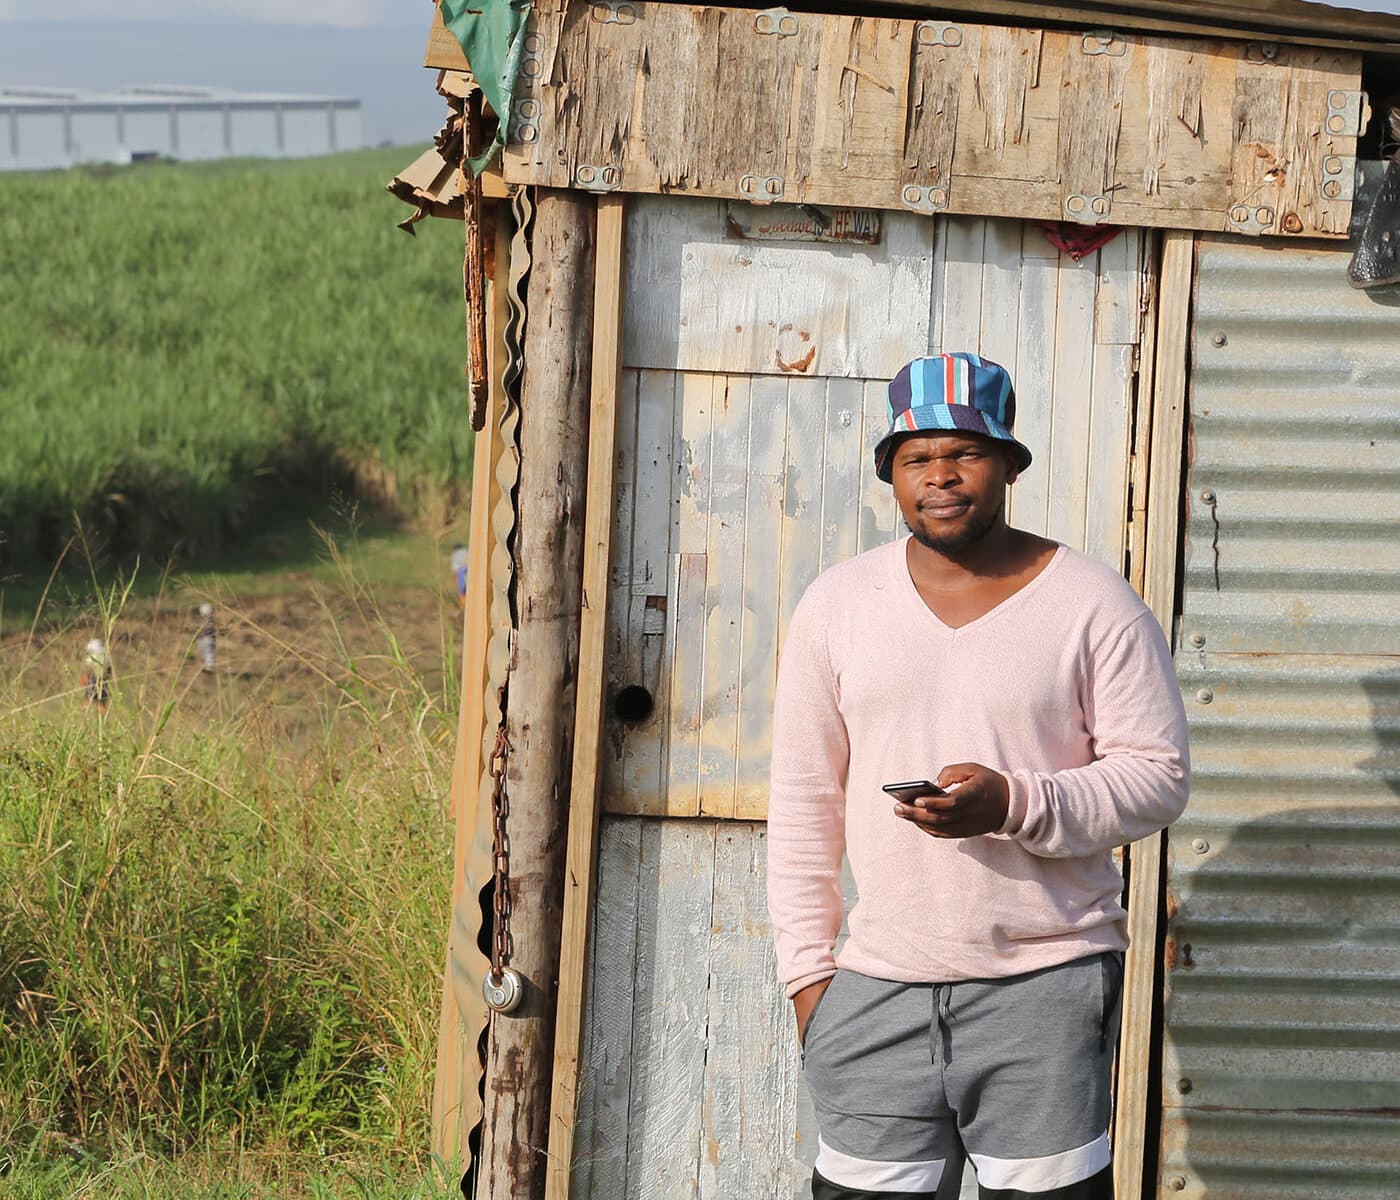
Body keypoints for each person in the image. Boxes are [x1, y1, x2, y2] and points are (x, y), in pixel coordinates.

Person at [767, 352, 1190, 1200]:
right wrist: (812, 979)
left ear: (1009, 466)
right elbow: (804, 803)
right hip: (875, 991)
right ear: (890, 473)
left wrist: (1014, 802)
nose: (942, 476)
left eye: (966, 452)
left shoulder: (1093, 603)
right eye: (917, 457)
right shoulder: (837, 606)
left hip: (1047, 984)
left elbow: (1158, 776)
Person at [196, 603, 217, 673]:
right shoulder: (209, 620)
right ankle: (208, 666)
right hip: (204, 639)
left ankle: (209, 667)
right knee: (207, 653)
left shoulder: (208, 620)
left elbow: (204, 629)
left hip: (207, 639)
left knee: (208, 653)